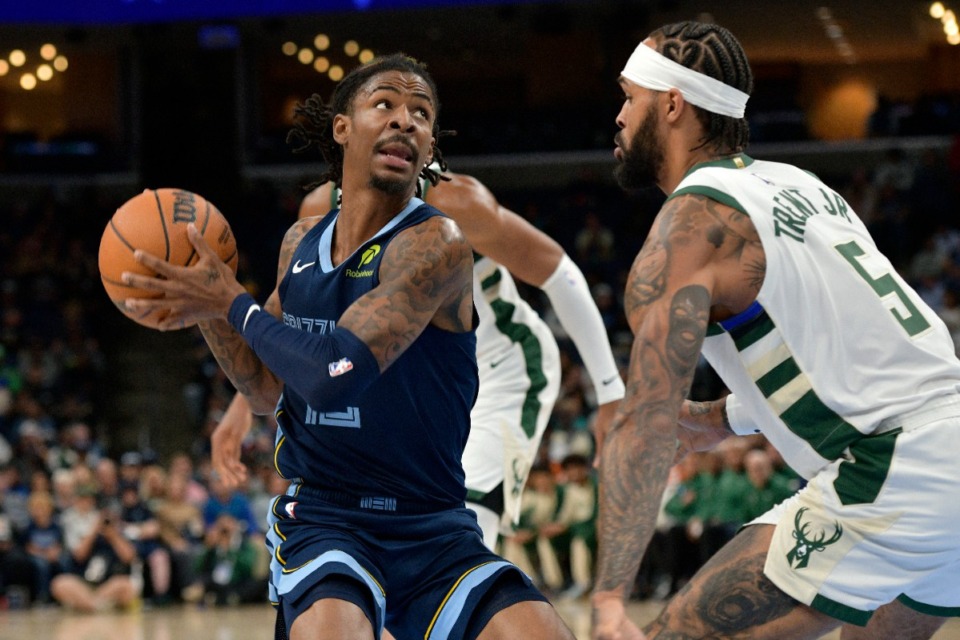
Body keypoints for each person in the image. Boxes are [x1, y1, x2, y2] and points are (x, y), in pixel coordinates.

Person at [120, 53, 574, 640]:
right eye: (384, 104)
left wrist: (231, 302)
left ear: (431, 146)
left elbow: (336, 371)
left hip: (432, 526)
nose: (404, 120)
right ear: (342, 127)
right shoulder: (299, 244)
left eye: (421, 113)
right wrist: (211, 311)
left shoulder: (435, 243)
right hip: (327, 518)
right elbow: (263, 386)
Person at [591, 20, 960, 640]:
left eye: (630, 97)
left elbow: (646, 420)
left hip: (896, 470)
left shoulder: (692, 223)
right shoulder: (803, 186)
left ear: (673, 105)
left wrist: (607, 599)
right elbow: (847, 361)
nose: (620, 117)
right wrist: (717, 420)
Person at [213, 162, 625, 551]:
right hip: (416, 383)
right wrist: (241, 406)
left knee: (458, 532)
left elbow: (557, 270)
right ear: (343, 130)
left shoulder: (457, 201)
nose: (399, 126)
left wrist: (609, 392)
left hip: (504, 371)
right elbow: (296, 321)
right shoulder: (319, 210)